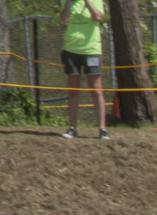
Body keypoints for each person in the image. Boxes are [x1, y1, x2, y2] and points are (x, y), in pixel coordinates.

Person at [59, 0, 108, 141]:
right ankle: (72, 127)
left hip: (91, 50)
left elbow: (98, 17)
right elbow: (63, 19)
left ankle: (102, 129)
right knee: (73, 90)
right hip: (71, 49)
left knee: (96, 90)